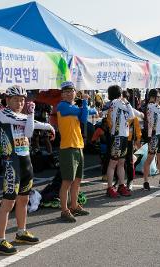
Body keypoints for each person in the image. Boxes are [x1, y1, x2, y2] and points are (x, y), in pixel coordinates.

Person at [0, 85, 55, 255]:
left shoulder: (22, 115)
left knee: (24, 200)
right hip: (12, 162)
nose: (20, 102)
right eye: (15, 99)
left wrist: (48, 126)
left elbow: (30, 125)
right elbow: (28, 129)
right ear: (7, 100)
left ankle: (21, 232)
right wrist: (32, 115)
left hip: (25, 161)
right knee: (8, 203)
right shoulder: (3, 114)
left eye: (22, 100)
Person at [57, 81, 96, 222]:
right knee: (67, 181)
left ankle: (74, 205)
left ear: (75, 92)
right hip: (67, 148)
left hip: (78, 146)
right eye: (65, 92)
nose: (68, 94)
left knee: (77, 180)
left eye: (71, 91)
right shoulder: (62, 106)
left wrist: (88, 108)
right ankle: (64, 210)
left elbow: (85, 117)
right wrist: (86, 103)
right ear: (62, 95)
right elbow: (84, 114)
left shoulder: (75, 107)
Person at [105, 86, 142, 197]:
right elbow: (131, 115)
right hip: (117, 136)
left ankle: (121, 185)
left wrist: (138, 113)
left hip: (123, 135)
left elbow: (131, 115)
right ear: (119, 94)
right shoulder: (116, 102)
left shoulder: (117, 104)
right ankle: (110, 188)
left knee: (121, 163)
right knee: (113, 163)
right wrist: (127, 102)